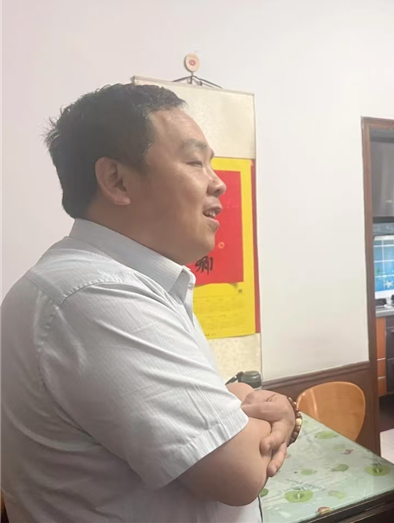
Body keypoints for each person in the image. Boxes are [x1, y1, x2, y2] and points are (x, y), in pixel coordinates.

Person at [1, 84, 297, 523]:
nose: (218, 182)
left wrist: (242, 404)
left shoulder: (126, 281)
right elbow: (240, 472)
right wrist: (247, 400)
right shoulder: (94, 294)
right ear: (117, 180)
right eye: (195, 162)